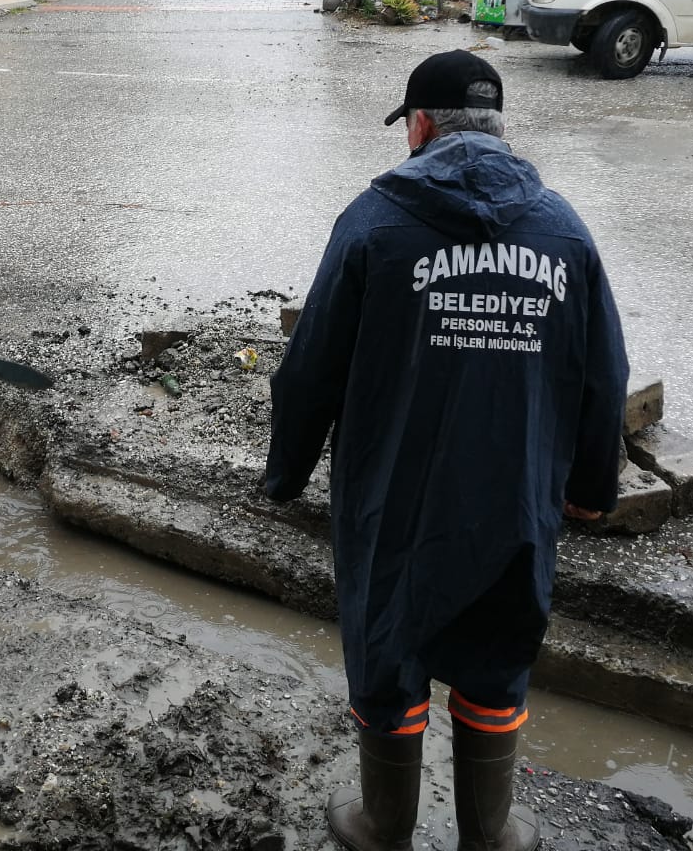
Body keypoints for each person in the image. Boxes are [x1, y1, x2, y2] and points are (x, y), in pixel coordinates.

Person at [265, 50, 628, 851]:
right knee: (496, 652)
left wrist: (286, 473)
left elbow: (310, 367)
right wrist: (593, 489)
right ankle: (488, 834)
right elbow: (604, 374)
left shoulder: (374, 222)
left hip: (395, 501)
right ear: (500, 128)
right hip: (516, 499)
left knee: (391, 650)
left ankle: (384, 825)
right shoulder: (564, 231)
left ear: (419, 126)